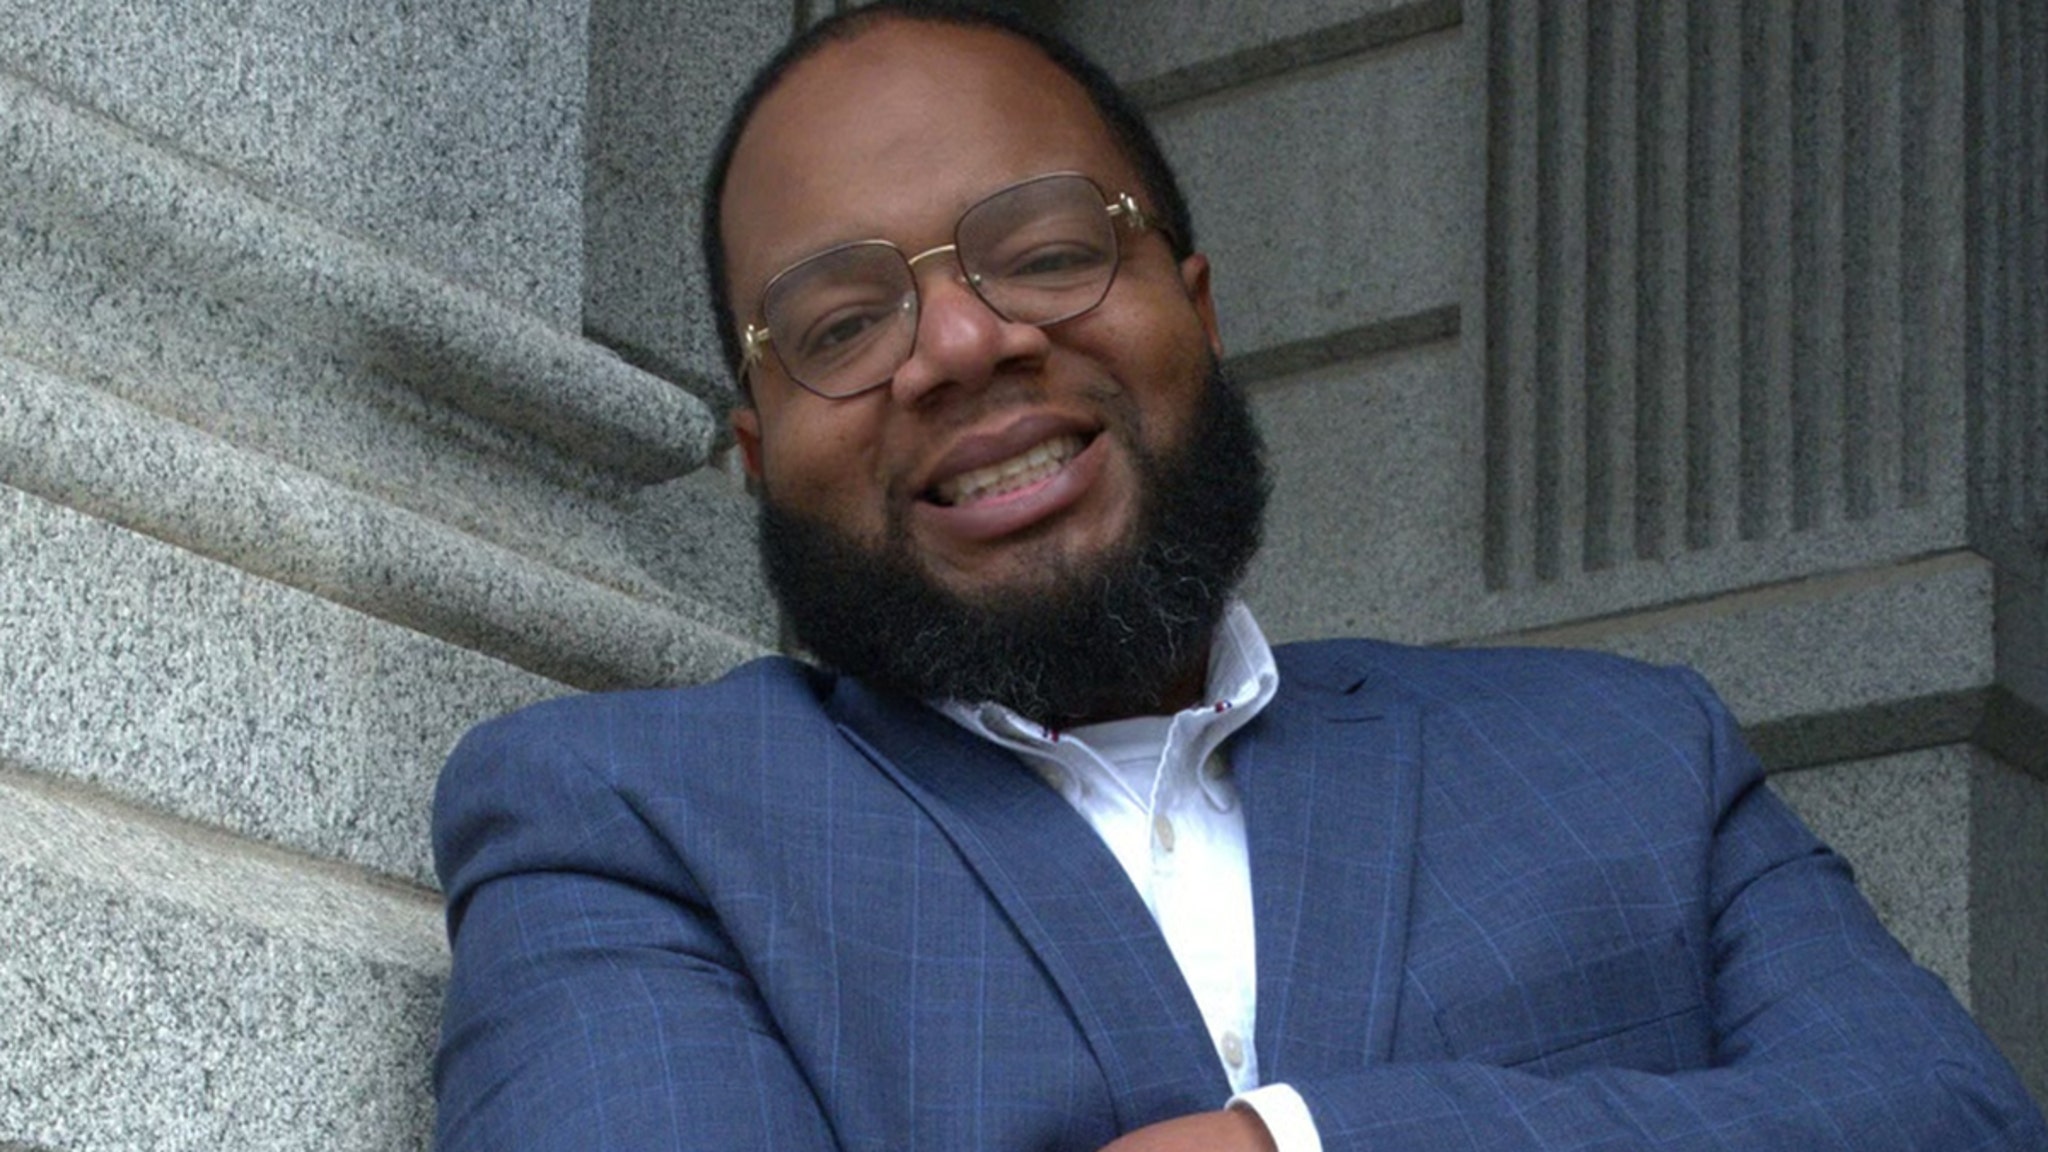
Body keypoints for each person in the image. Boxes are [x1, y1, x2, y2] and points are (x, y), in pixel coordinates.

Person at [430, 4, 2048, 1149]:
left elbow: (1947, 1121)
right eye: (842, 325)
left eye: (1046, 250)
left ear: (1194, 309)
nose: (965, 342)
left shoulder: (1630, 756)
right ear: (754, 449)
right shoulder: (630, 824)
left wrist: (1311, 1146)